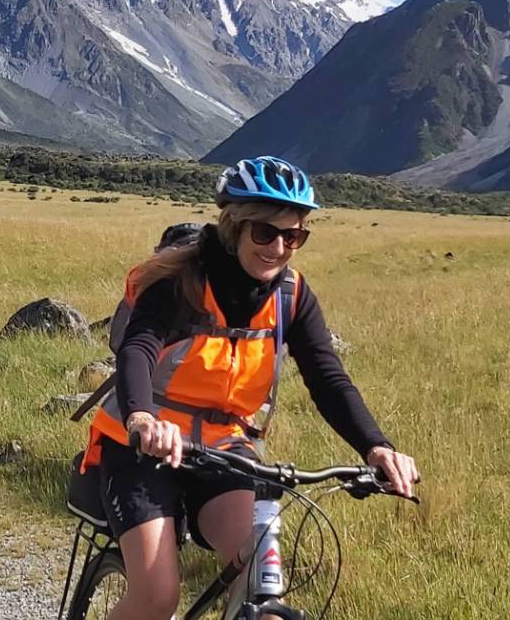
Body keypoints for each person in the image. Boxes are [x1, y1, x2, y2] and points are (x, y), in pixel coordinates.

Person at [77, 155, 420, 620]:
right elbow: (137, 348)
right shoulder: (181, 281)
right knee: (157, 597)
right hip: (142, 448)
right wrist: (142, 418)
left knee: (263, 584)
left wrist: (377, 448)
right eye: (265, 232)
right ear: (234, 225)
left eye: (294, 236)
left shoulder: (291, 297)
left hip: (224, 448)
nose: (278, 247)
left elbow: (327, 376)